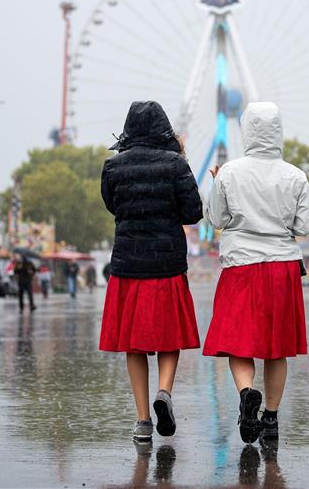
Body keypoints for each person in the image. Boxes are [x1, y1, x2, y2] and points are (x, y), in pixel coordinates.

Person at [203, 102, 309, 444]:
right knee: (276, 348)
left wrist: (218, 183)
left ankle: (247, 391)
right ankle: (272, 418)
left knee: (240, 343)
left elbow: (216, 219)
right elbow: (305, 225)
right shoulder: (296, 176)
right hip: (282, 268)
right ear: (278, 131)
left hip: (241, 266)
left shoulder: (230, 174)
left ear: (246, 130)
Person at [98, 101, 203, 442]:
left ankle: (143, 421)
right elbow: (192, 213)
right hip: (166, 264)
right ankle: (165, 392)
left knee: (134, 344)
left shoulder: (113, 167)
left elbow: (114, 206)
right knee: (169, 337)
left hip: (128, 264)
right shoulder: (175, 165)